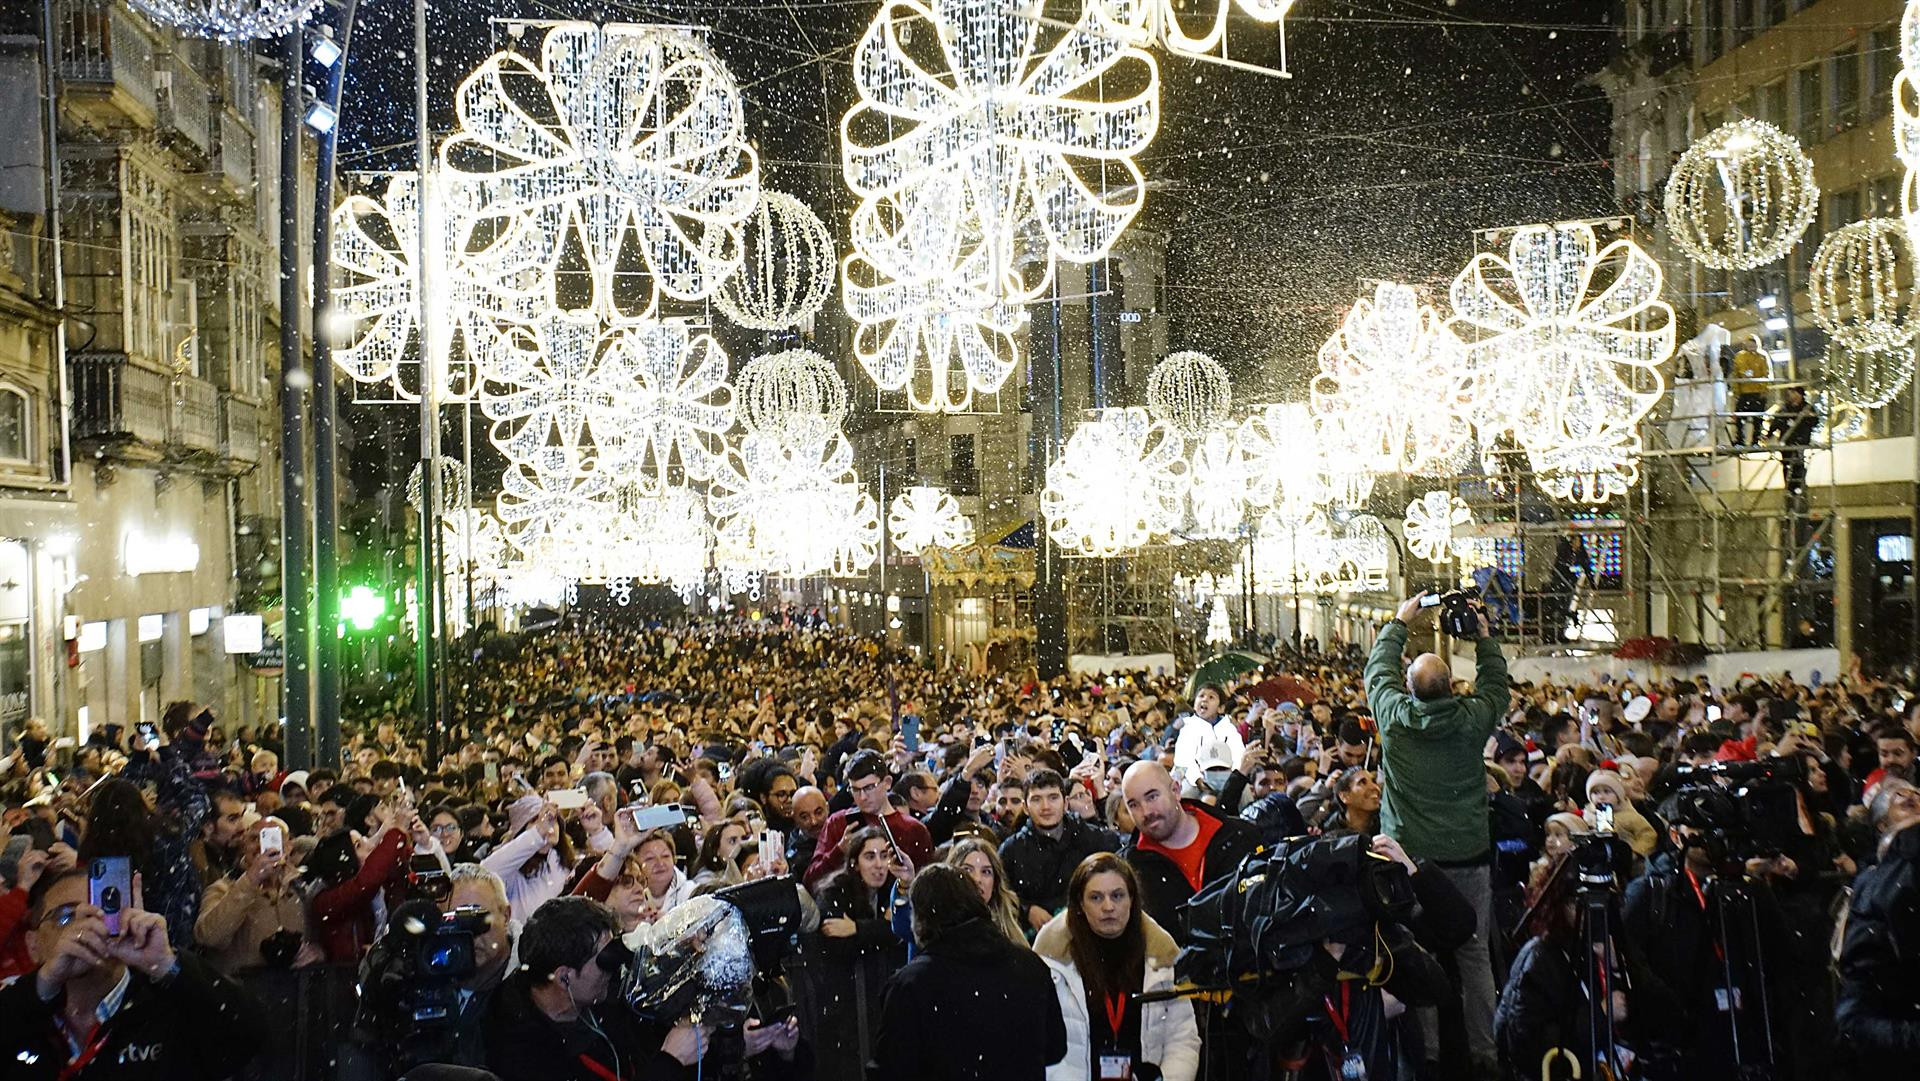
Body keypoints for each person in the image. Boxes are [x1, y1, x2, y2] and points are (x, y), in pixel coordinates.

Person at [1364, 591, 1508, 1076]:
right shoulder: (1472, 719)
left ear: (1409, 688)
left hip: (1409, 858)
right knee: (1474, 954)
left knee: (1414, 949)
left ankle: (1425, 1053)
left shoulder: (1395, 719)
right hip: (1467, 854)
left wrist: (1399, 623)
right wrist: (1484, 637)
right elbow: (1496, 685)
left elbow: (1376, 672)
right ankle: (1485, 1052)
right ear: (1452, 687)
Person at [0, 867, 263, 1079]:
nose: (86, 928)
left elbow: (247, 1041)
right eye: (65, 917)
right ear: (33, 945)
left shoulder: (170, 1003)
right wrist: (44, 984)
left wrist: (166, 965)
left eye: (103, 914)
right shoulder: (20, 1011)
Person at [870, 864, 1067, 1080]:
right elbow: (1054, 1048)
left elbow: (890, 1069)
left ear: (921, 917)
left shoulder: (912, 985)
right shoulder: (1030, 965)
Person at [483, 895, 703, 1081]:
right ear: (564, 977)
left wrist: (683, 948)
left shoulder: (591, 990)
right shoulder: (519, 1052)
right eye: (604, 961)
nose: (613, 968)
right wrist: (671, 1061)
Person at [1033, 854, 1201, 1081]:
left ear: (1132, 899)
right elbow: (1037, 1042)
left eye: (1117, 895)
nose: (1108, 907)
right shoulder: (1051, 961)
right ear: (1080, 904)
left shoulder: (1162, 955)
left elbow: (1182, 1037)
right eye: (1096, 897)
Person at [808, 825, 911, 1079]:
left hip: (883, 998)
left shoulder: (895, 889)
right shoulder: (834, 891)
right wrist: (883, 929)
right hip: (845, 1000)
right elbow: (838, 942)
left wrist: (857, 929)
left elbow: (904, 932)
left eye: (884, 856)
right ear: (854, 863)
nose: (879, 865)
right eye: (869, 856)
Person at [1117, 761, 1261, 941]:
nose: (1145, 812)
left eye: (1152, 797)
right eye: (1133, 805)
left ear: (1175, 790)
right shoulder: (1127, 870)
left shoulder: (1240, 837)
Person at [1835, 778, 1920, 1077]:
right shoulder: (1872, 883)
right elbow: (1856, 1013)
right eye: (1901, 798)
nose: (1911, 796)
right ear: (1883, 825)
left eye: (1917, 793)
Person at [999, 768, 1122, 932]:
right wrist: (1026, 910)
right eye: (1036, 799)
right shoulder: (1011, 850)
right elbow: (1001, 894)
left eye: (1053, 797)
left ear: (1065, 803)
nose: (1046, 807)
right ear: (1025, 807)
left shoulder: (1094, 839)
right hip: (1035, 936)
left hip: (1092, 931)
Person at [803, 751, 933, 885]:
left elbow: (928, 886)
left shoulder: (914, 830)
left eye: (869, 788)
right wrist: (840, 850)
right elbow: (811, 880)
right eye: (855, 789)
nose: (862, 797)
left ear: (887, 783)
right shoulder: (838, 822)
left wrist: (907, 881)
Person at [948, 835, 1029, 944]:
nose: (977, 879)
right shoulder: (938, 932)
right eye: (967, 870)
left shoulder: (1011, 940)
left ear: (995, 884)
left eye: (986, 872)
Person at [1171, 684, 1243, 787]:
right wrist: (1197, 779)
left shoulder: (1229, 728)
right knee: (1186, 792)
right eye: (1201, 696)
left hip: (1227, 777)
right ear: (1194, 705)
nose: (1205, 699)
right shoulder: (1188, 728)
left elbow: (1238, 755)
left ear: (1220, 708)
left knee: (1245, 791)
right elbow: (1184, 759)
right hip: (1195, 780)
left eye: (1211, 697)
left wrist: (1233, 777)